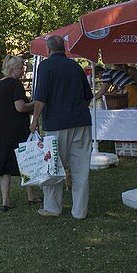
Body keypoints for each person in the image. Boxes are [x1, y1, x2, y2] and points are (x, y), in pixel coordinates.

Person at [30, 35, 93, 219]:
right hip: (81, 121)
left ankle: (52, 207)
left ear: (48, 50)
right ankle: (80, 211)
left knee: (53, 166)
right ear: (64, 48)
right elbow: (88, 96)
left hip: (56, 123)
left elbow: (40, 98)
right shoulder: (76, 66)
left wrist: (34, 121)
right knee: (81, 168)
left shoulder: (45, 66)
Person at [0, 55, 38, 211]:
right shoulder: (15, 84)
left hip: (1, 129)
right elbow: (20, 107)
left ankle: (5, 200)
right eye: (20, 67)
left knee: (5, 164)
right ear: (12, 69)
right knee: (26, 160)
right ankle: (31, 196)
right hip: (16, 129)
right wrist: (35, 104)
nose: (23, 70)